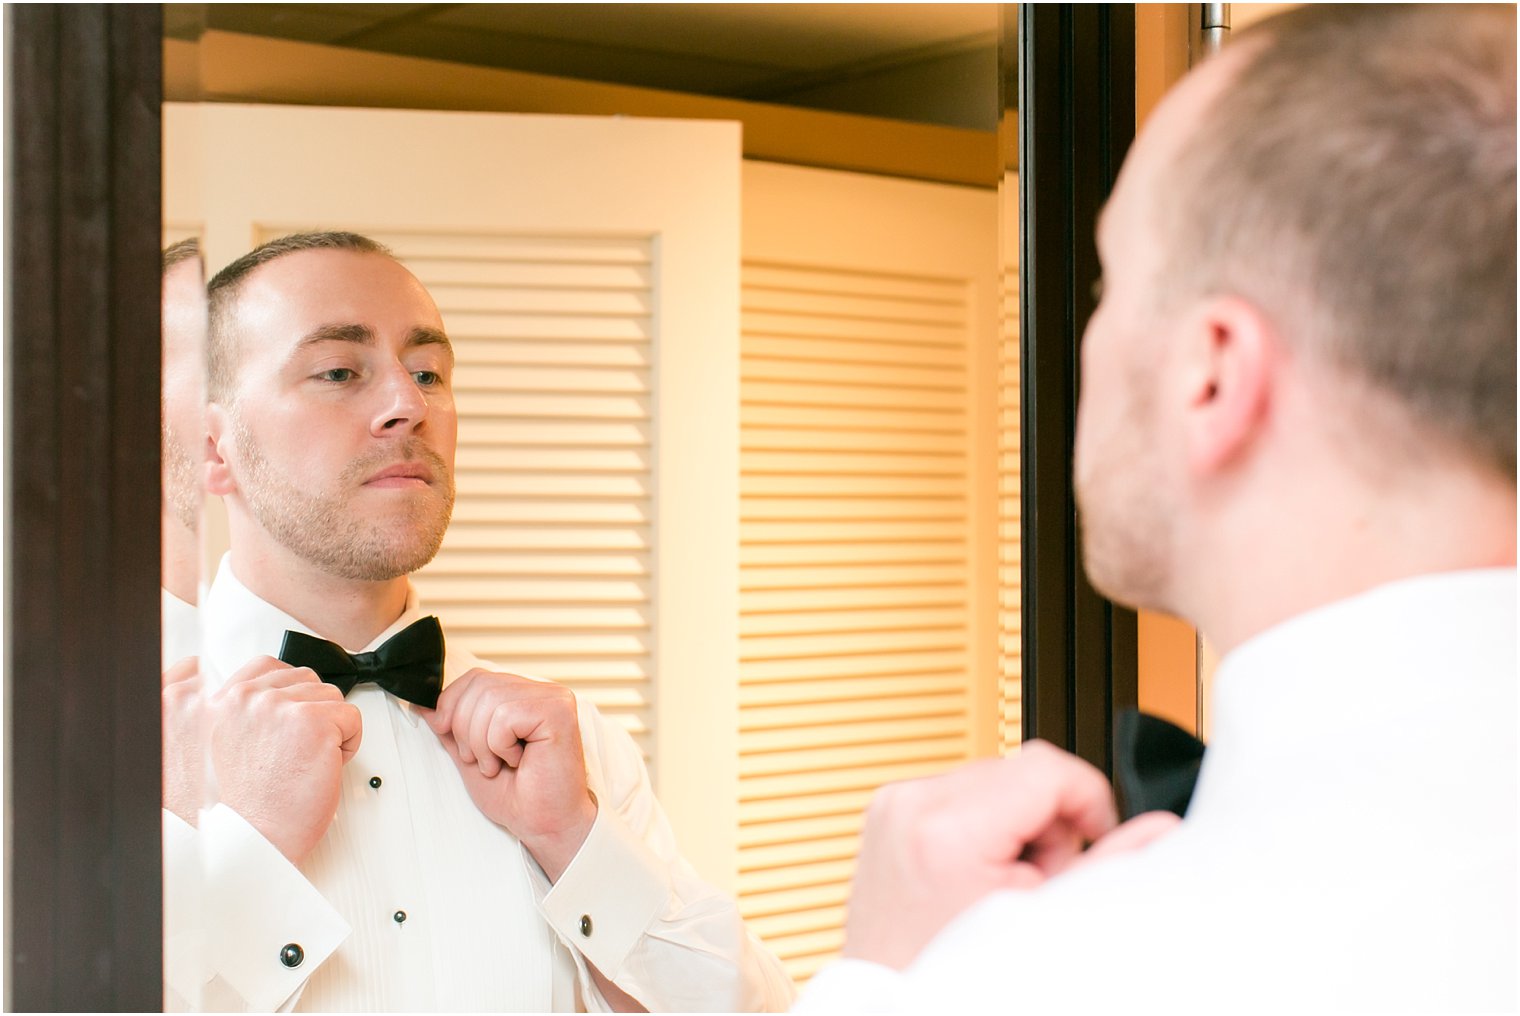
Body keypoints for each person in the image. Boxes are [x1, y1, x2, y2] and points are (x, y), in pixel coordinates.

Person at [795, 5, 1517, 1012]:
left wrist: (877, 981)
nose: (1086, 340)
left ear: (1210, 375)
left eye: (1108, 283)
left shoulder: (1035, 983)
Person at [166, 231, 795, 1011]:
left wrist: (574, 841)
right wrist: (246, 848)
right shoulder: (111, 752)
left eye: (427, 372)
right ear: (213, 450)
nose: (408, 404)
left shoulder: (573, 748)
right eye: (338, 371)